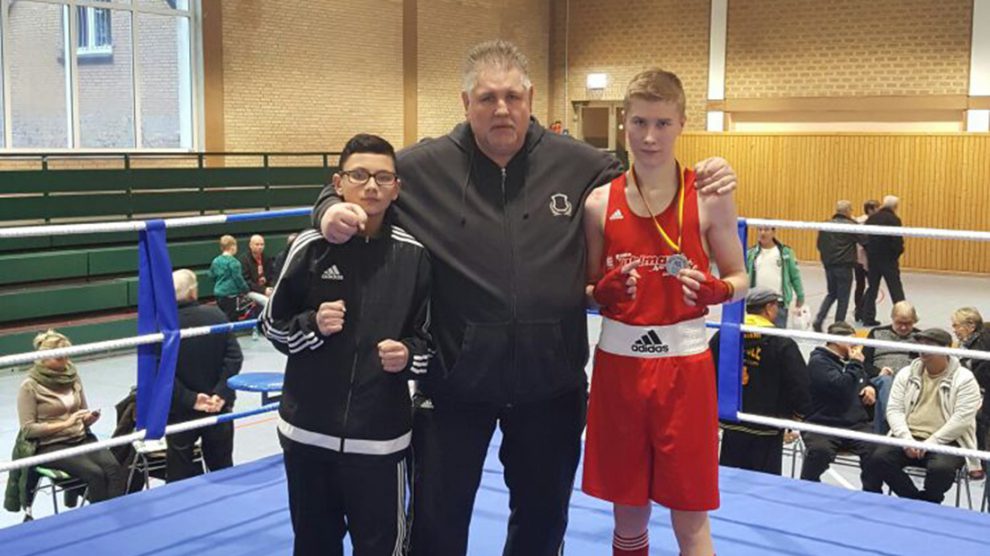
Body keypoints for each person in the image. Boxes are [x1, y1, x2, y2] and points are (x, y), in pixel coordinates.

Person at [312, 40, 737, 556]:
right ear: (465, 102)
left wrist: (711, 170)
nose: (501, 109)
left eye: (512, 96)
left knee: (540, 525)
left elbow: (652, 170)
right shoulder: (424, 168)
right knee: (436, 526)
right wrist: (328, 204)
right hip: (455, 386)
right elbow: (365, 180)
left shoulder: (581, 165)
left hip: (549, 385)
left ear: (531, 97)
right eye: (487, 97)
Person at [581, 68, 748, 556]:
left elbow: (741, 280)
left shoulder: (710, 195)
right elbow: (587, 289)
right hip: (619, 370)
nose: (649, 137)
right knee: (627, 511)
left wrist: (719, 289)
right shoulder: (597, 203)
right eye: (638, 123)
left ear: (681, 123)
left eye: (661, 123)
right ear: (623, 125)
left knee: (690, 517)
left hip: (684, 371)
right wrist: (601, 292)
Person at [264, 134, 432, 555]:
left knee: (384, 548)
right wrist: (312, 325)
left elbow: (431, 342)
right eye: (359, 175)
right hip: (307, 435)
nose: (371, 186)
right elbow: (272, 326)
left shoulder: (415, 257)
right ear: (339, 183)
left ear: (397, 188)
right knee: (314, 546)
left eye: (382, 177)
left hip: (380, 439)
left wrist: (409, 355)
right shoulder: (309, 247)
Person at [867, 328, 981, 503]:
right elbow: (894, 409)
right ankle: (916, 501)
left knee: (941, 469)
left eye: (929, 345)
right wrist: (906, 439)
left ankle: (930, 502)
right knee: (877, 458)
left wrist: (931, 443)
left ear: (946, 349)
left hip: (948, 440)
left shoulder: (964, 378)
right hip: (909, 436)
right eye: (920, 344)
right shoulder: (906, 373)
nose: (923, 349)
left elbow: (962, 420)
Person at [709, 287, 811, 475]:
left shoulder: (725, 335)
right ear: (769, 307)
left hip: (731, 421)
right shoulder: (781, 342)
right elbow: (800, 384)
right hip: (768, 425)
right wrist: (797, 415)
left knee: (729, 481)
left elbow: (707, 370)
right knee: (763, 486)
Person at [15, 330, 126, 503]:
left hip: (81, 438)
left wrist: (89, 418)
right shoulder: (29, 386)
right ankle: (101, 521)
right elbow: (28, 430)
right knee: (95, 474)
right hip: (51, 445)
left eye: (67, 356)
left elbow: (83, 412)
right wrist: (66, 424)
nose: (65, 362)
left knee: (114, 469)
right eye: (59, 358)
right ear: (43, 358)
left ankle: (118, 516)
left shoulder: (73, 377)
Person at [165, 269, 243, 482]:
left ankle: (181, 512)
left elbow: (158, 373)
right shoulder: (216, 315)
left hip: (180, 409)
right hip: (217, 405)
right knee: (222, 469)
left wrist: (191, 399)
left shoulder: (162, 326)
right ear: (193, 292)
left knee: (178, 472)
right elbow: (234, 357)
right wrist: (220, 393)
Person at [799, 322, 881, 491]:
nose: (857, 346)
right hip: (822, 424)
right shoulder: (819, 363)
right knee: (820, 451)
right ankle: (806, 486)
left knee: (876, 452)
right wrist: (856, 364)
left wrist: (869, 387)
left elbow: (860, 380)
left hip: (855, 424)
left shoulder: (850, 361)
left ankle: (872, 493)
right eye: (852, 341)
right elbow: (840, 387)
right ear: (837, 340)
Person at [863, 301, 920, 433]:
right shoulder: (877, 333)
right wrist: (878, 372)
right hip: (879, 380)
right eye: (900, 323)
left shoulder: (920, 338)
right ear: (892, 318)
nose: (904, 327)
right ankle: (890, 423)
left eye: (908, 324)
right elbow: (864, 363)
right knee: (886, 380)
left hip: (908, 383)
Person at [951, 307, 990, 472]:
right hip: (970, 389)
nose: (954, 330)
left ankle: (977, 462)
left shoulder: (982, 344)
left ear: (971, 326)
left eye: (956, 326)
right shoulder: (967, 343)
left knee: (968, 414)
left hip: (982, 393)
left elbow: (981, 377)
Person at [745, 226, 804, 328]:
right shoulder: (751, 254)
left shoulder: (785, 252)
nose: (762, 233)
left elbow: (795, 276)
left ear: (773, 232)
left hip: (778, 304)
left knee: (777, 338)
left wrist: (800, 296)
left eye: (766, 230)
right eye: (760, 229)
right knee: (756, 336)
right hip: (756, 304)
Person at [813, 200, 858, 332]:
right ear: (848, 211)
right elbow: (865, 239)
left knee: (831, 294)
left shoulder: (825, 225)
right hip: (844, 265)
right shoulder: (851, 225)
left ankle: (819, 319)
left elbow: (819, 245)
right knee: (843, 298)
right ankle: (838, 327)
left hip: (829, 264)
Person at [861, 195, 905, 326]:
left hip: (873, 259)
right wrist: (896, 254)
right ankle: (902, 316)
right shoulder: (894, 219)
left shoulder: (872, 218)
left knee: (872, 288)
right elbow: (897, 241)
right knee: (896, 289)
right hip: (889, 259)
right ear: (895, 207)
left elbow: (864, 238)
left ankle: (867, 317)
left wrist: (869, 251)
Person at [210, 235, 253, 322]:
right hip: (230, 294)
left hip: (218, 293)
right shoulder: (234, 262)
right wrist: (246, 290)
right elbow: (238, 279)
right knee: (231, 317)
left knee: (221, 316)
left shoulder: (215, 261)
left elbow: (212, 276)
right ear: (232, 247)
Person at [853, 200, 879, 322]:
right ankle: (865, 312)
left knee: (860, 286)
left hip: (857, 258)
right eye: (876, 208)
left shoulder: (857, 222)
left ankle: (859, 311)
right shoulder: (868, 223)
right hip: (866, 259)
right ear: (870, 210)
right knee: (872, 287)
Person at [240, 234, 274, 308]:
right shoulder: (244, 260)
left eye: (262, 244)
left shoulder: (266, 258)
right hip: (250, 291)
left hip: (266, 289)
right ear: (250, 245)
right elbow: (246, 282)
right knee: (267, 301)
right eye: (257, 244)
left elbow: (271, 276)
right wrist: (263, 290)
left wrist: (271, 288)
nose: (260, 247)